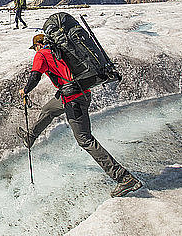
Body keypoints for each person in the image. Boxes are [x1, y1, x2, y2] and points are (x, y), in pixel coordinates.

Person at [18, 33, 142, 197]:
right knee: (49, 109)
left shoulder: (42, 54)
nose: (35, 51)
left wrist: (25, 90)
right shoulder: (59, 51)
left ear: (39, 45)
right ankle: (31, 136)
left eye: (35, 47)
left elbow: (35, 76)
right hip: (77, 94)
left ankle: (124, 178)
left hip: (73, 99)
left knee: (85, 140)